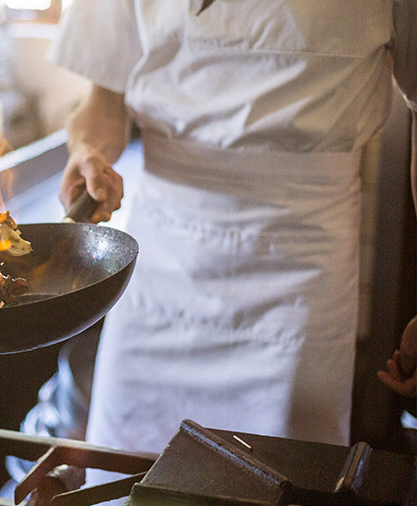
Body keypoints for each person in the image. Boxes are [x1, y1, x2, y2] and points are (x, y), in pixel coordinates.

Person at [47, 0, 417, 458]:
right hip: (162, 255)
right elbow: (102, 102)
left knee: (283, 468)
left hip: (302, 258)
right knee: (127, 470)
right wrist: (87, 151)